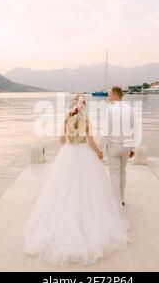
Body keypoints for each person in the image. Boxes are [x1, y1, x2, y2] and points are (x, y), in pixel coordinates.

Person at [23, 95, 129, 266]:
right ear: (84, 107)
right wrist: (98, 153)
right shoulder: (86, 120)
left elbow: (61, 140)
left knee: (64, 188)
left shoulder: (66, 118)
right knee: (87, 188)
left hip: (67, 153)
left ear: (71, 107)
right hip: (84, 154)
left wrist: (69, 137)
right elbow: (91, 141)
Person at [100, 87, 136, 206]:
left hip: (114, 147)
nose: (108, 97)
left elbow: (105, 133)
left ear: (115, 95)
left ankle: (116, 201)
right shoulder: (131, 110)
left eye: (109, 94)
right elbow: (133, 130)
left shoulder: (110, 111)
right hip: (126, 147)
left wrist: (100, 150)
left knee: (114, 174)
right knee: (123, 172)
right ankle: (122, 198)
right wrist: (133, 148)